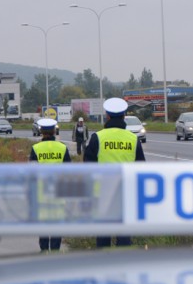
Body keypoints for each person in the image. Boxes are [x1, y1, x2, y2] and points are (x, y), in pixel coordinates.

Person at [84, 97, 145, 248]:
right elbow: (141, 169)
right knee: (124, 237)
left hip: (102, 195)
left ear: (107, 116)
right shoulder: (133, 139)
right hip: (125, 195)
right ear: (124, 116)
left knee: (103, 237)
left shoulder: (97, 137)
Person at [29, 118, 72, 252]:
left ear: (41, 131)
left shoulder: (35, 149)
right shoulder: (62, 148)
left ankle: (43, 251)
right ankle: (55, 252)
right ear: (54, 131)